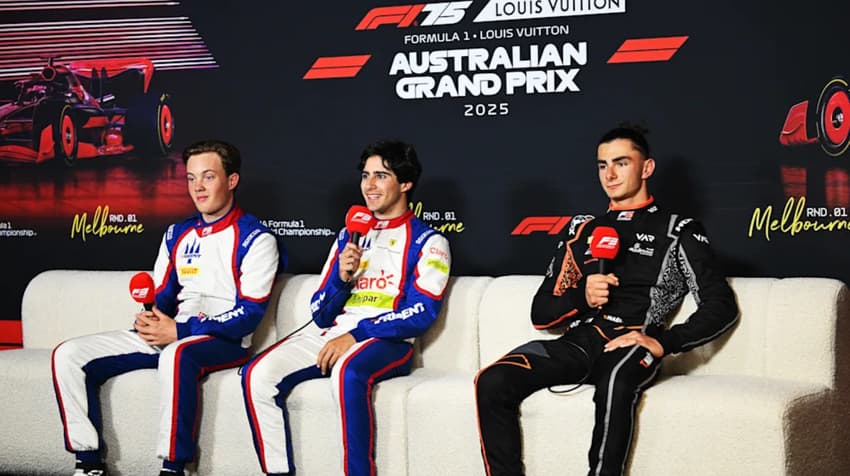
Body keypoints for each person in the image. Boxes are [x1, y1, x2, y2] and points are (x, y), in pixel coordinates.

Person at [475, 124, 739, 476]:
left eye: (621, 163)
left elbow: (721, 305)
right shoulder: (583, 229)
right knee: (491, 380)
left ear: (646, 168)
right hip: (580, 342)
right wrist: (582, 297)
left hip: (631, 342)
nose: (610, 174)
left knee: (615, 379)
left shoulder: (680, 230)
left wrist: (662, 342)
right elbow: (542, 315)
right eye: (602, 165)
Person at [51, 139, 282, 476]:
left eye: (208, 177)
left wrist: (180, 331)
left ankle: (173, 467)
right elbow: (163, 296)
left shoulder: (257, 238)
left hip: (223, 341)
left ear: (232, 180)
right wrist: (151, 315)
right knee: (68, 354)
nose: (198, 187)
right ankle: (88, 464)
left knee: (177, 354)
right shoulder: (177, 234)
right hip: (174, 331)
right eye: (190, 179)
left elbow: (248, 315)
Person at [241, 140, 451, 476]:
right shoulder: (347, 236)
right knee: (256, 375)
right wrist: (340, 277)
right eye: (366, 175)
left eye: (381, 176)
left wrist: (357, 335)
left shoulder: (430, 241)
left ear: (406, 183)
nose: (369, 185)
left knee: (347, 370)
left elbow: (422, 313)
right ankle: (277, 472)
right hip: (336, 333)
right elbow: (321, 313)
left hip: (388, 343)